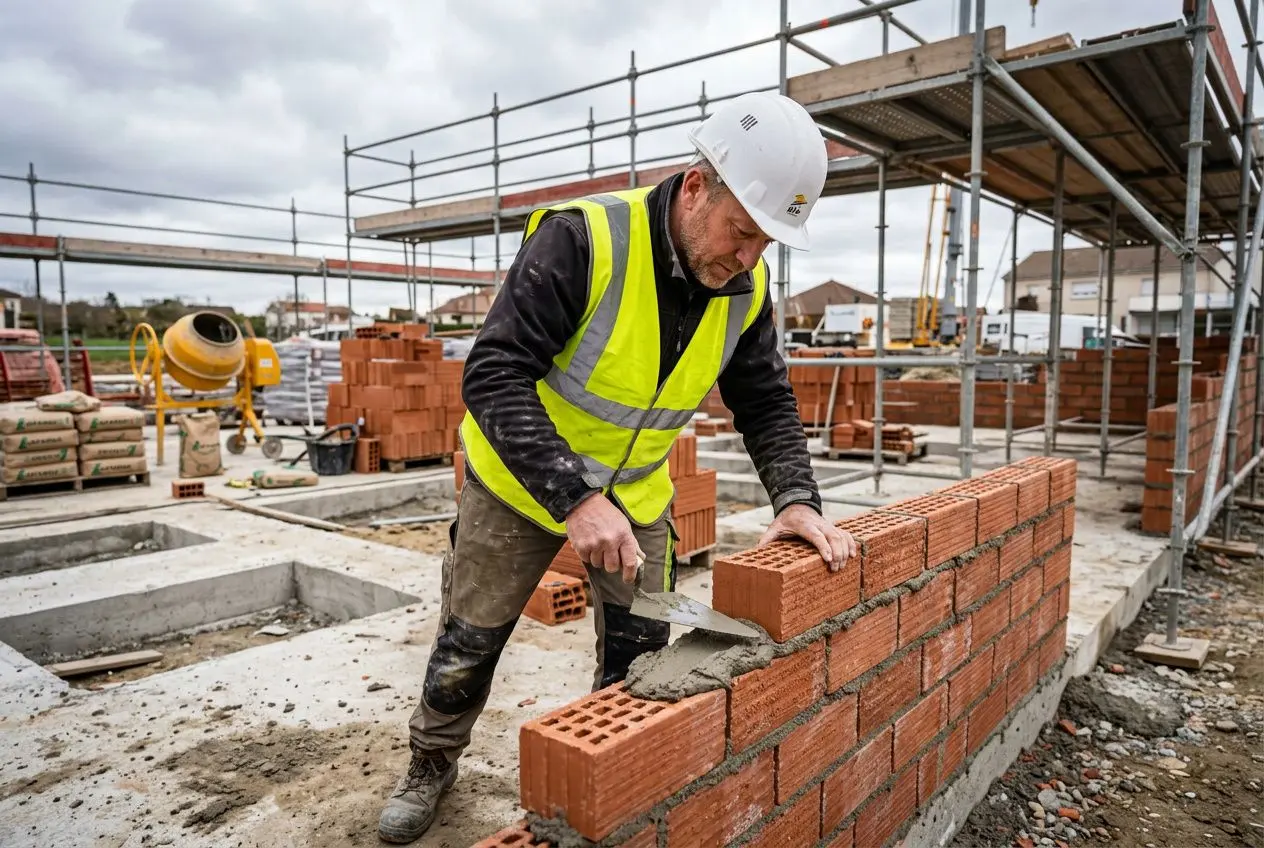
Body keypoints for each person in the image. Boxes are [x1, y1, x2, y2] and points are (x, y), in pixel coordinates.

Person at [377, 90, 857, 844]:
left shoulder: (744, 287)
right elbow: (494, 372)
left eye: (765, 243)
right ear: (697, 188)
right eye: (740, 232)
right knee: (470, 641)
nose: (747, 257)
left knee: (644, 654)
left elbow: (764, 399)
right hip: (517, 483)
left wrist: (797, 498)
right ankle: (431, 762)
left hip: (635, 496)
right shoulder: (586, 238)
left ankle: (618, 779)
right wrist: (573, 497)